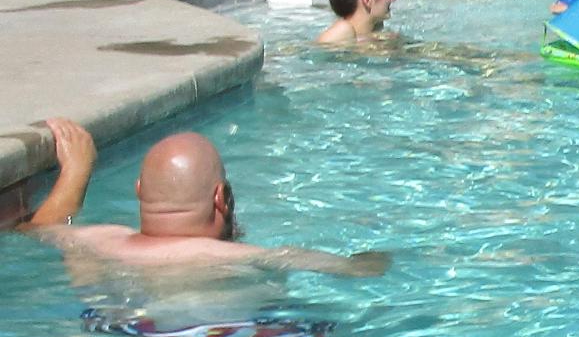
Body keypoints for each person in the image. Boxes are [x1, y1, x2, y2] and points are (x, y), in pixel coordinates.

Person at [20, 118, 386, 276]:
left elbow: (34, 230)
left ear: (139, 190)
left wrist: (77, 170)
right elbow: (361, 270)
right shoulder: (250, 258)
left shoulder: (94, 241)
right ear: (221, 198)